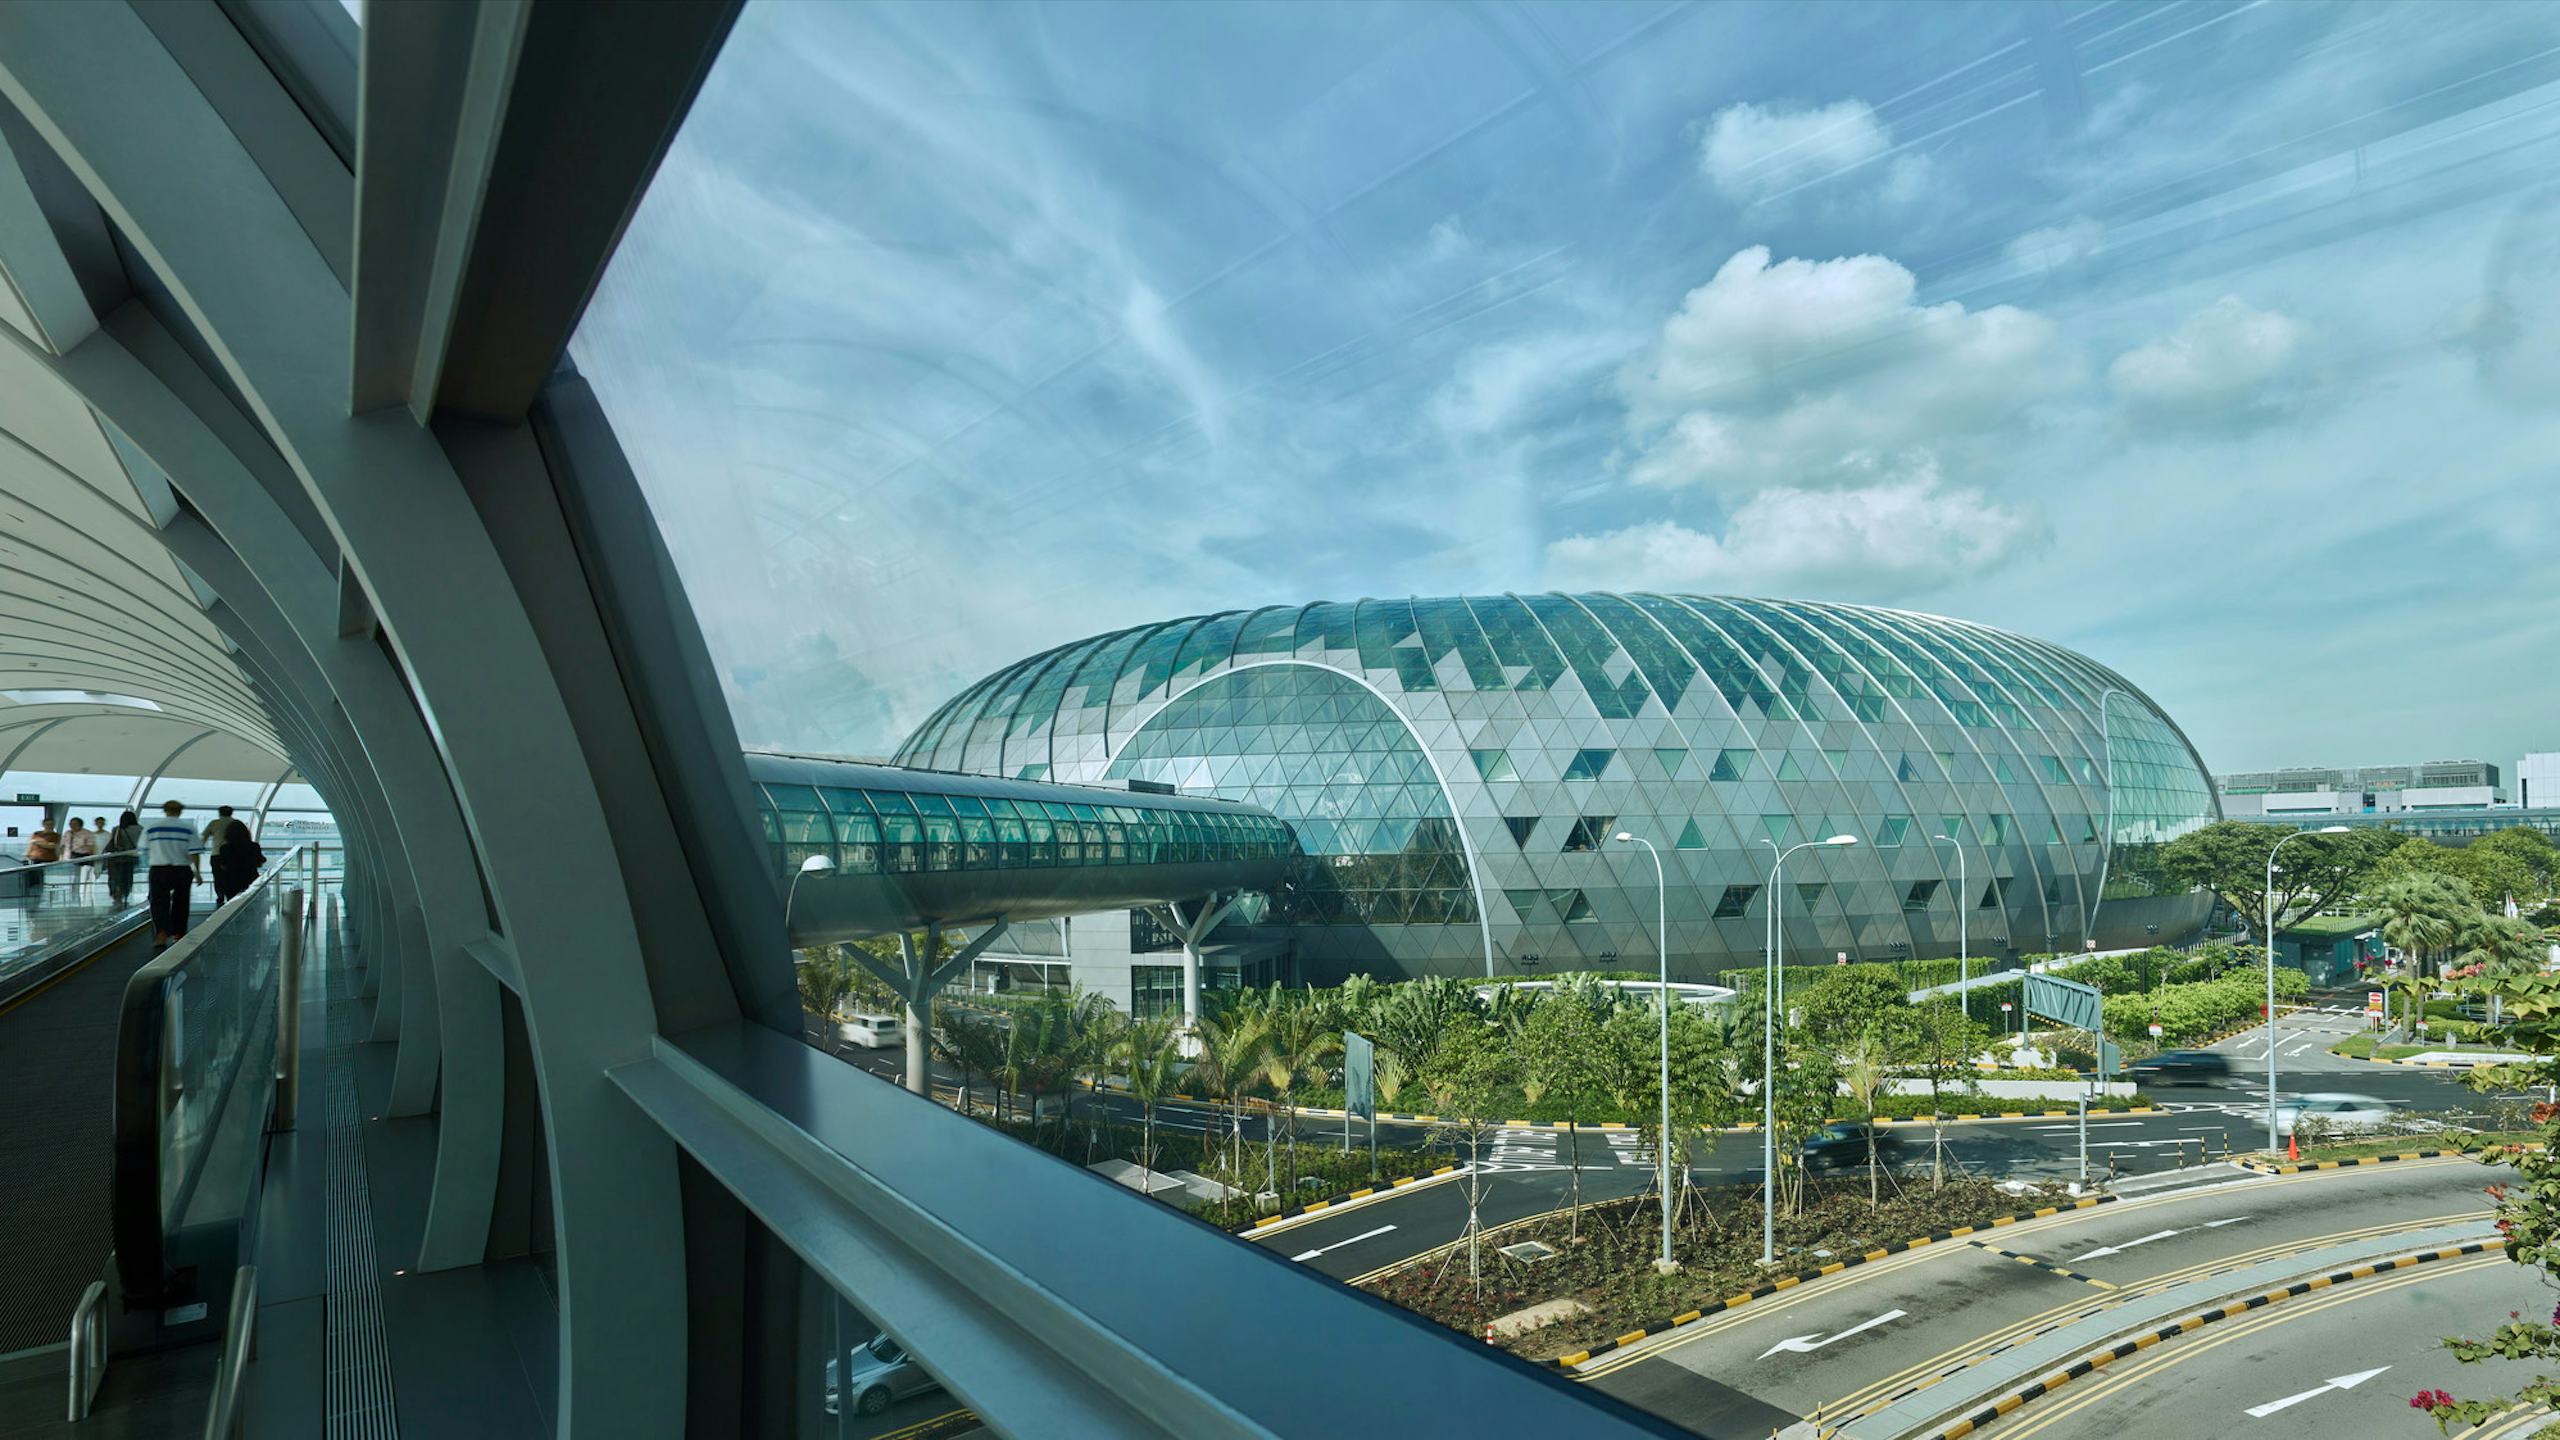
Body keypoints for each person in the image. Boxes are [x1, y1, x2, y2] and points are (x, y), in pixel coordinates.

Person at [142, 800, 202, 951]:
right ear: (180, 811)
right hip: (182, 869)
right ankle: (179, 933)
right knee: (181, 902)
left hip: (158, 869)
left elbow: (143, 848)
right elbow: (194, 852)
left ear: (164, 810)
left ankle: (161, 934)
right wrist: (198, 872)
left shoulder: (152, 828)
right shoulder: (188, 828)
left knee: (158, 903)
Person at [207, 804, 261, 904]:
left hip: (220, 859)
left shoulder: (214, 824)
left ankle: (220, 896)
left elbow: (204, 836)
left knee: (218, 878)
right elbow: (259, 861)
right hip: (250, 877)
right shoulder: (253, 846)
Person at [102, 810, 142, 909]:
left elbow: (112, 844)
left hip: (117, 858)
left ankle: (116, 895)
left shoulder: (116, 829)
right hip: (131, 857)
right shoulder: (140, 829)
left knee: (115, 877)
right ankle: (125, 894)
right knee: (128, 877)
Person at [22, 819, 61, 905]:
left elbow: (52, 846)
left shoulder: (55, 835)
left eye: (51, 824)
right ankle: (33, 897)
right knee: (33, 878)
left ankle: (40, 897)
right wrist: (27, 854)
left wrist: (38, 843)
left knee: (40, 877)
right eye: (47, 824)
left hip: (47, 859)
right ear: (43, 825)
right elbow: (31, 845)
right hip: (34, 858)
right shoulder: (36, 834)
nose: (49, 826)